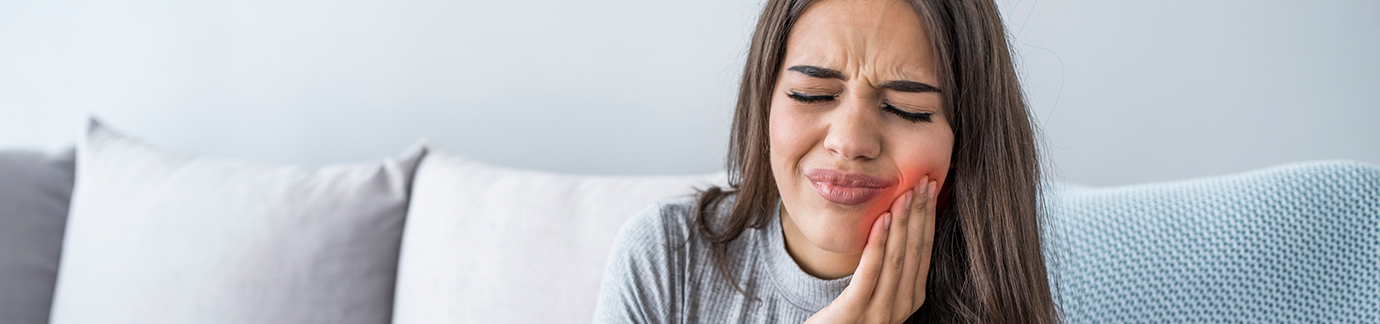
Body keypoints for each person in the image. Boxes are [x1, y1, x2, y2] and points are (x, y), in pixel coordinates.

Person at [594, 0, 1059, 322]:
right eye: (811, 95)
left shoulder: (997, 296)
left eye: (906, 108)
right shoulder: (665, 258)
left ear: (967, 144)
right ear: (766, 104)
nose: (850, 141)